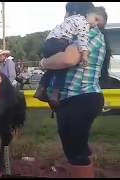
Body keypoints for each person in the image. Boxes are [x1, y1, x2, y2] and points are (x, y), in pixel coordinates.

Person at [39, 3, 109, 178]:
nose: (66, 17)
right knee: (77, 149)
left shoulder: (88, 33)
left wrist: (43, 63)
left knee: (75, 152)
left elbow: (68, 59)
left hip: (80, 98)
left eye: (67, 13)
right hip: (80, 98)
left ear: (76, 14)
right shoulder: (93, 34)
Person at [34, 5, 107, 106]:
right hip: (78, 97)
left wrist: (45, 62)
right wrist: (84, 55)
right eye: (96, 19)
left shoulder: (71, 20)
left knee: (54, 67)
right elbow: (69, 58)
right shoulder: (85, 25)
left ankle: (41, 88)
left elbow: (67, 59)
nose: (95, 24)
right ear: (87, 13)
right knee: (61, 68)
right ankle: (55, 93)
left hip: (49, 42)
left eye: (98, 24)